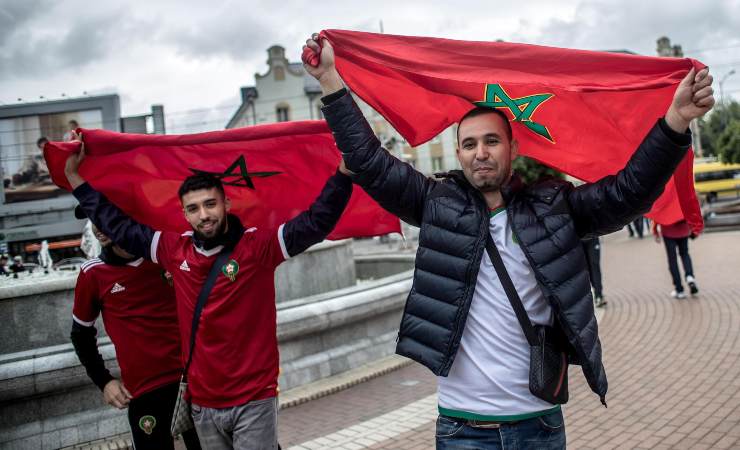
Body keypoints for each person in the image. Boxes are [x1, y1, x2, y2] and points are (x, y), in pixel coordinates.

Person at [303, 34, 714, 449]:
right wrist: (330, 81)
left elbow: (628, 193)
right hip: (462, 428)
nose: (480, 152)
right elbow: (369, 162)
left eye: (491, 141)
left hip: (538, 426)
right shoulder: (435, 204)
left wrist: (675, 122)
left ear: (513, 148)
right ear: (459, 155)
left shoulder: (554, 209)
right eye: (469, 144)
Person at [65, 137, 354, 449]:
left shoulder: (258, 247)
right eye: (193, 208)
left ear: (227, 205)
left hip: (253, 399)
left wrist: (344, 175)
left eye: (210, 204)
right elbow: (119, 227)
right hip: (202, 405)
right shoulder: (173, 251)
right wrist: (74, 179)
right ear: (185, 215)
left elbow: (316, 221)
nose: (203, 215)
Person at [70, 206, 201, 450]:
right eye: (92, 219)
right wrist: (104, 381)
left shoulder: (165, 255)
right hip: (143, 393)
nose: (97, 227)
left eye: (102, 216)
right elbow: (81, 335)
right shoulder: (92, 273)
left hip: (193, 381)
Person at [653, 220, 698, 299]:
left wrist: (655, 231)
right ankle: (689, 276)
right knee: (685, 254)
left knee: (672, 260)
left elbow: (657, 213)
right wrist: (694, 228)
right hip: (683, 229)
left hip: (668, 231)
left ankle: (679, 290)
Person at [582, 238, 606, 307]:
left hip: (592, 238)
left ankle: (599, 295)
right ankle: (596, 294)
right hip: (578, 242)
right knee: (588, 269)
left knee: (595, 267)